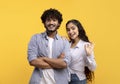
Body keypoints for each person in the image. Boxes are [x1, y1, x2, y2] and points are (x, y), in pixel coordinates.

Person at [27, 8, 71, 84]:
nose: (51, 23)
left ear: (59, 23)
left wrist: (44, 58)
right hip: (39, 81)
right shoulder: (35, 38)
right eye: (48, 20)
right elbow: (32, 60)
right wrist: (57, 63)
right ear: (44, 23)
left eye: (54, 20)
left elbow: (64, 63)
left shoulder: (64, 41)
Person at [65, 19, 97, 84]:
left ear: (78, 29)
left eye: (73, 28)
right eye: (68, 30)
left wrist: (89, 55)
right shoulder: (67, 44)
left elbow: (93, 68)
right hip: (65, 78)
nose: (70, 32)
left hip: (77, 80)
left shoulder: (86, 45)